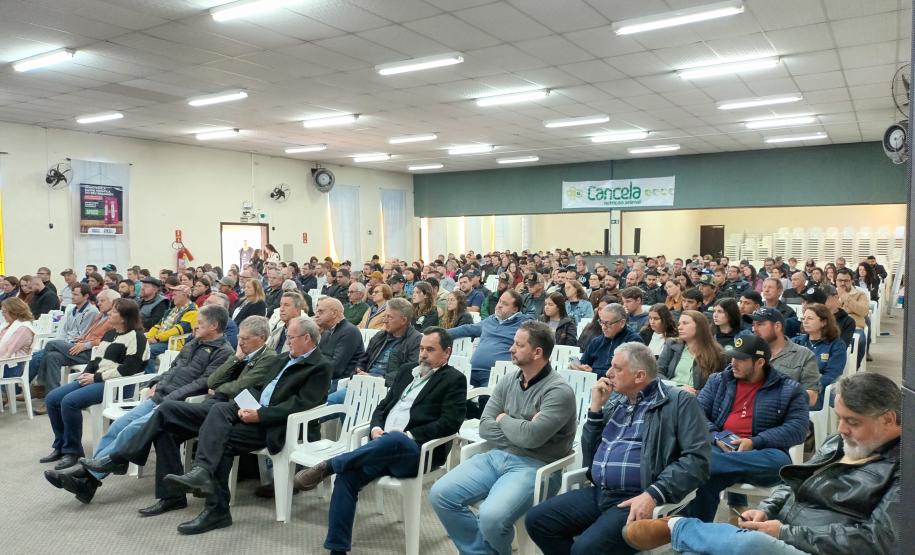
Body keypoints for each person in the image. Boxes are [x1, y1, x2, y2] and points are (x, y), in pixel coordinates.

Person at [84, 317, 331, 534]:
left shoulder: (320, 366)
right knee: (168, 419)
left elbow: (302, 405)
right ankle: (173, 494)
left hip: (276, 425)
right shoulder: (283, 359)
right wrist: (242, 405)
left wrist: (261, 415)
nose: (287, 341)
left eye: (291, 337)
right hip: (247, 411)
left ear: (307, 338)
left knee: (216, 434)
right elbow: (257, 389)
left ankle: (216, 508)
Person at [622, 372, 900, 555]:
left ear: (887, 419)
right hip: (789, 528)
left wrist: (785, 532)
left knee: (751, 545)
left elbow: (876, 542)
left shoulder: (902, 470)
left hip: (819, 547)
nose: (841, 428)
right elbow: (795, 483)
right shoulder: (839, 443)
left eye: (852, 421)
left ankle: (678, 527)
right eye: (839, 418)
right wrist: (765, 511)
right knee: (741, 541)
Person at [525, 341, 710, 554]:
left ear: (639, 376)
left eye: (617, 368)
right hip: (601, 491)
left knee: (585, 549)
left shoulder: (678, 402)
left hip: (638, 496)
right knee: (538, 520)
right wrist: (595, 410)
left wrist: (653, 494)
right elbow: (591, 456)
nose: (609, 373)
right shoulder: (616, 401)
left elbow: (697, 460)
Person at [295, 328, 467, 554]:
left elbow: (450, 423)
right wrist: (375, 427)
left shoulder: (454, 379)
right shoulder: (407, 371)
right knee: (347, 477)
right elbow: (383, 406)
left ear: (447, 353)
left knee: (395, 438)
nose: (423, 354)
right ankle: (337, 549)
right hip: (382, 446)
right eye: (422, 349)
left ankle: (331, 464)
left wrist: (408, 436)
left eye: (430, 350)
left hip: (416, 452)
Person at [44, 305, 233, 503]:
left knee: (132, 429)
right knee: (117, 426)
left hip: (177, 404)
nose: (195, 326)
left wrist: (169, 397)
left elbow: (202, 383)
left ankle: (86, 476)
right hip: (160, 395)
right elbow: (173, 368)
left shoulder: (223, 352)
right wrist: (155, 382)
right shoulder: (194, 342)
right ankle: (87, 481)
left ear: (214, 326)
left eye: (200, 323)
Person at [430, 321, 577, 555]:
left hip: (537, 467)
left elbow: (530, 439)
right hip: (497, 455)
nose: (511, 348)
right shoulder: (509, 380)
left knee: (491, 517)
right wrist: (521, 428)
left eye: (518, 345)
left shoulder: (558, 391)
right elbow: (485, 427)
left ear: (537, 352)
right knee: (441, 494)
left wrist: (503, 419)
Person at [687, 335, 809, 522]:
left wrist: (754, 442)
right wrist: (716, 436)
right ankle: (697, 529)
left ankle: (702, 465)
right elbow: (697, 414)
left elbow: (798, 429)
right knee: (709, 475)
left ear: (760, 362)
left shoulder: (788, 389)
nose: (733, 363)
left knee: (779, 461)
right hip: (720, 446)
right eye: (732, 358)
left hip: (761, 453)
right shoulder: (718, 381)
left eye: (741, 360)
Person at [41, 299, 149, 470]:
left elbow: (128, 369)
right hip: (97, 378)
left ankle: (73, 451)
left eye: (113, 312)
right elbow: (96, 359)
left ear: (124, 317)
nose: (109, 314)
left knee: (69, 402)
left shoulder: (137, 337)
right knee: (52, 398)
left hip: (115, 385)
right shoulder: (110, 334)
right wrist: (86, 373)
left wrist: (96, 377)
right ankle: (61, 445)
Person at [31, 289, 116, 399]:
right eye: (98, 301)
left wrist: (86, 344)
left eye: (102, 301)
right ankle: (52, 395)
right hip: (82, 347)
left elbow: (108, 340)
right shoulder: (101, 315)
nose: (98, 303)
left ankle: (40, 382)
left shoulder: (114, 319)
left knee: (51, 344)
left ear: (113, 301)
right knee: (52, 356)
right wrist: (83, 338)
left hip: (92, 352)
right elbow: (92, 333)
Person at [450, 290, 534, 388]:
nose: (499, 305)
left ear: (515, 309)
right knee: (453, 392)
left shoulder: (524, 324)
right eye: (500, 301)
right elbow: (468, 329)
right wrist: (440, 334)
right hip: (472, 370)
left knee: (485, 398)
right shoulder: (491, 320)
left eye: (505, 304)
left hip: (497, 375)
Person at [745, 307, 820, 406]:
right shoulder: (748, 353)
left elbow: (812, 397)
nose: (754, 329)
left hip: (785, 413)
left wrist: (778, 397)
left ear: (777, 326)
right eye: (753, 325)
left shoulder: (804, 355)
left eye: (759, 324)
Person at [657, 310, 727, 394]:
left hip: (697, 399)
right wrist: (676, 387)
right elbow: (657, 373)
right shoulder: (672, 345)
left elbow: (718, 386)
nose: (679, 327)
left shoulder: (716, 352)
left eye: (685, 323)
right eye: (679, 324)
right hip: (670, 393)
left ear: (699, 326)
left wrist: (696, 393)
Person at [792, 304, 846, 410]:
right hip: (793, 386)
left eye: (810, 318)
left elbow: (832, 374)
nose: (805, 321)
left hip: (818, 391)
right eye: (804, 318)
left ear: (823, 322)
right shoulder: (796, 342)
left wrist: (811, 387)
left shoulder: (836, 345)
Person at [572, 303, 642, 377]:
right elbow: (583, 363)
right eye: (601, 322)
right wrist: (578, 367)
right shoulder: (596, 341)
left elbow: (627, 373)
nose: (603, 327)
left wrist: (593, 372)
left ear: (622, 323)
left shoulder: (633, 342)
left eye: (608, 323)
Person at [313, 297, 365, 390]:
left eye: (321, 312)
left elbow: (336, 368)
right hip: (323, 376)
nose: (316, 315)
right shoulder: (327, 332)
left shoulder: (350, 332)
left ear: (334, 313)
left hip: (341, 383)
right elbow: (316, 357)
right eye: (316, 312)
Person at [145, 284, 198, 373]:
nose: (172, 298)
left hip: (173, 343)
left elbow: (177, 330)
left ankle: (149, 378)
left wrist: (157, 338)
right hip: (162, 340)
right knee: (140, 344)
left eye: (175, 295)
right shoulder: (173, 310)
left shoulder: (192, 311)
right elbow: (157, 326)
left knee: (148, 350)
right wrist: (148, 337)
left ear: (184, 295)